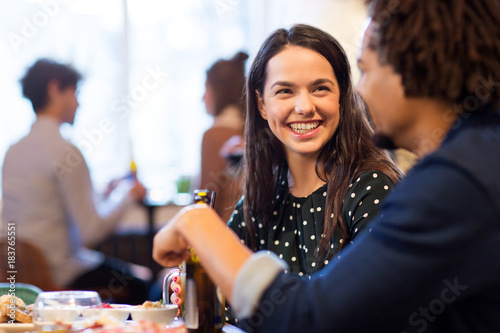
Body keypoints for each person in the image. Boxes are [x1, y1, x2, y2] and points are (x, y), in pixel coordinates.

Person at [153, 0, 500, 331]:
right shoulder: (472, 159)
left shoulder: (456, 181)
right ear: (260, 104)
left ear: (409, 69)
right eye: (284, 92)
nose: (361, 91)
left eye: (365, 69)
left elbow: (313, 320)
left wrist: (196, 221)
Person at [168, 25, 402, 315]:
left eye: (320, 89)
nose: (304, 106)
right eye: (285, 91)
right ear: (262, 105)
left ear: (341, 96)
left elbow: (362, 312)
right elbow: (224, 298)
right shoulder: (259, 199)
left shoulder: (371, 187)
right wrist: (189, 286)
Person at [1, 58, 150, 304]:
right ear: (54, 88)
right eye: (75, 92)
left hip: (19, 277)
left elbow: (47, 209)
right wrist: (128, 197)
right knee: (142, 284)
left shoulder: (12, 151)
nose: (78, 102)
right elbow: (91, 231)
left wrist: (106, 195)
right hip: (60, 275)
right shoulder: (66, 151)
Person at [200, 51, 248, 223]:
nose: (202, 98)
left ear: (218, 92)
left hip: (225, 232)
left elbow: (205, 200)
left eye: (206, 88)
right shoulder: (252, 129)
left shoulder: (213, 135)